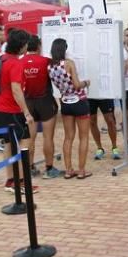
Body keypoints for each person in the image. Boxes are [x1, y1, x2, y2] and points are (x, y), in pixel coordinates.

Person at [0, 29, 36, 192]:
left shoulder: (1, 59)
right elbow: (16, 90)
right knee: (24, 143)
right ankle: (20, 181)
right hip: (11, 110)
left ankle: (11, 180)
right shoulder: (15, 63)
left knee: (8, 144)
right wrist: (27, 113)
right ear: (21, 45)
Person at [49, 38, 92, 179]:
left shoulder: (50, 67)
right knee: (84, 136)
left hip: (65, 102)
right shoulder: (69, 64)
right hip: (79, 101)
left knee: (68, 138)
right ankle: (81, 170)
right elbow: (77, 84)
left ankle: (68, 170)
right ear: (64, 49)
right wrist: (86, 83)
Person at [21, 36, 63, 179]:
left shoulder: (20, 62)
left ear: (27, 47)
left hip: (28, 102)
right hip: (45, 102)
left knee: (29, 138)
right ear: (39, 46)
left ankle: (30, 167)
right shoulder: (46, 61)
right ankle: (49, 168)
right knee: (47, 137)